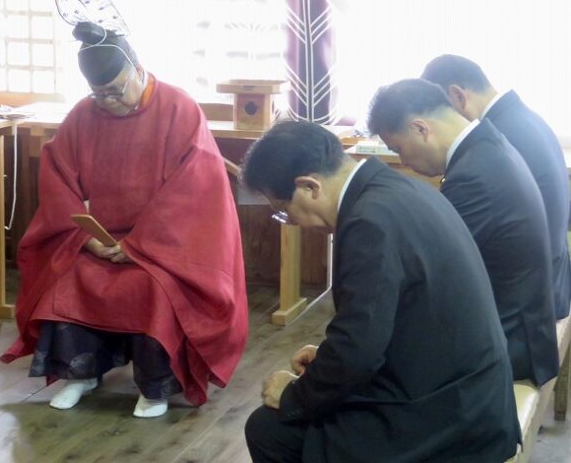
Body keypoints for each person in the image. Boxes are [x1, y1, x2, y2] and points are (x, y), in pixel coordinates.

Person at [0, 22, 248, 417]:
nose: (108, 101)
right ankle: (81, 373)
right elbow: (57, 176)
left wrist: (137, 245)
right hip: (100, 238)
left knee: (151, 287)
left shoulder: (179, 109)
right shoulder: (84, 114)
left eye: (116, 90)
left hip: (166, 245)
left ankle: (155, 387)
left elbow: (193, 192)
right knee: (69, 276)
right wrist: (85, 238)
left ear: (137, 69)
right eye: (98, 94)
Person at [241, 120, 520, 463]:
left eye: (285, 211)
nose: (293, 222)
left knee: (269, 430)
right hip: (465, 388)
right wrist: (330, 357)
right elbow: (378, 325)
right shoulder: (397, 188)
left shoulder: (368, 222)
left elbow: (358, 352)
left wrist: (293, 395)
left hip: (456, 418)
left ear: (310, 186)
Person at [367, 78, 559, 386]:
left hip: (510, 339)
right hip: (518, 319)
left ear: (420, 129)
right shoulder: (488, 143)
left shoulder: (473, 176)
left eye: (399, 149)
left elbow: (431, 274)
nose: (403, 162)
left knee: (367, 379)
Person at [422, 54, 571, 320]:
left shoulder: (496, 139)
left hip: (530, 300)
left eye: (439, 115)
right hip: (553, 281)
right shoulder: (524, 118)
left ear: (457, 96)